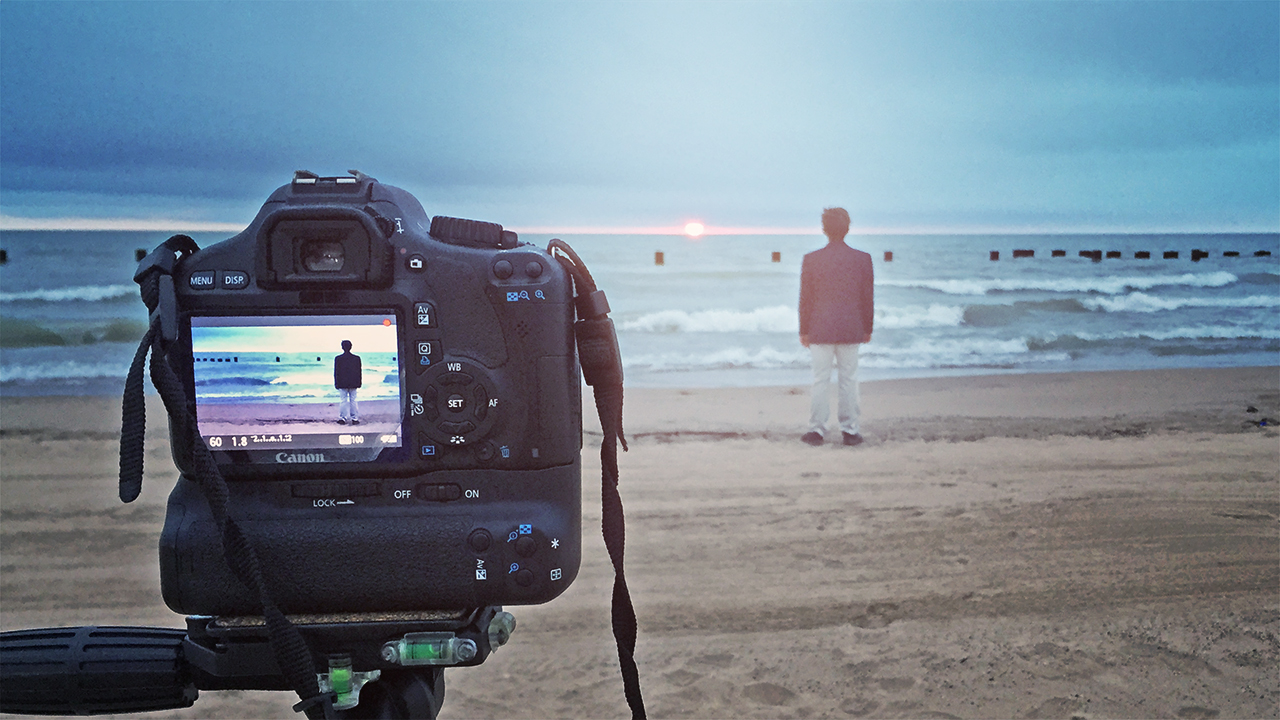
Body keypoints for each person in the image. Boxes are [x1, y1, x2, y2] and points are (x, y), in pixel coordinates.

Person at [798, 207, 874, 447]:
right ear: (848, 228)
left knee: (820, 379)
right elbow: (867, 297)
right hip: (851, 325)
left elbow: (805, 298)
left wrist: (803, 329)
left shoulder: (811, 259)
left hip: (820, 326)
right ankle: (850, 430)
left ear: (824, 229)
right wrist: (867, 326)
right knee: (849, 379)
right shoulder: (862, 258)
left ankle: (816, 430)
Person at [334, 340, 362, 425]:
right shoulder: (356, 358)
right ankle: (355, 418)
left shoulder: (338, 358)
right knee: (353, 400)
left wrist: (336, 382)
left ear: (342, 347)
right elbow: (359, 371)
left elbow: (336, 372)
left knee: (343, 400)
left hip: (342, 382)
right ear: (351, 347)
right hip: (353, 381)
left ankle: (343, 418)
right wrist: (359, 382)